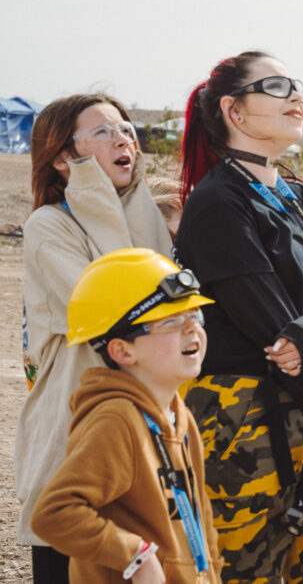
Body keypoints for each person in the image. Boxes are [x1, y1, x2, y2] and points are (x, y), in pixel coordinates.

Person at [175, 51, 303, 583]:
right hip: (242, 426)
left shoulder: (296, 197)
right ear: (234, 111)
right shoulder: (218, 204)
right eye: (276, 85)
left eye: (297, 85)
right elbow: (270, 330)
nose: (295, 97)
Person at [17, 93, 173, 584]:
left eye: (126, 128)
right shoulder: (48, 225)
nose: (123, 137)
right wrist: (92, 190)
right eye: (103, 132)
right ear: (63, 157)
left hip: (142, 428)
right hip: (76, 428)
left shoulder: (140, 217)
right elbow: (120, 306)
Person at [32, 248, 222, 583]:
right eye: (172, 321)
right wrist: (136, 556)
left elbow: (200, 515)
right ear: (122, 350)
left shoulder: (181, 414)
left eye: (195, 316)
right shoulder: (116, 419)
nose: (192, 329)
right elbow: (54, 514)